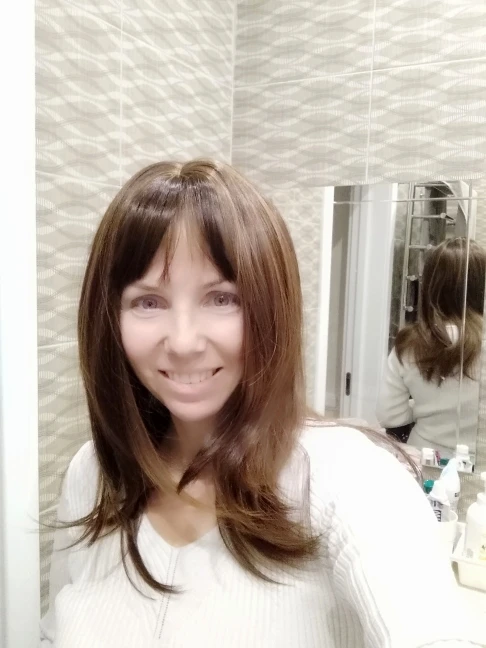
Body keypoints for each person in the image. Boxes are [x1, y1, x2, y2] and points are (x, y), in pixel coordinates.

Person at [40, 160, 477, 647]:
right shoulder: (92, 474)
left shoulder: (351, 479)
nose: (183, 342)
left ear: (270, 307)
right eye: (148, 301)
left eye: (221, 298)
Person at [377, 237, 486, 459]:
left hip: (424, 459)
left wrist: (425, 408)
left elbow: (389, 415)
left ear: (429, 286)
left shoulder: (409, 343)